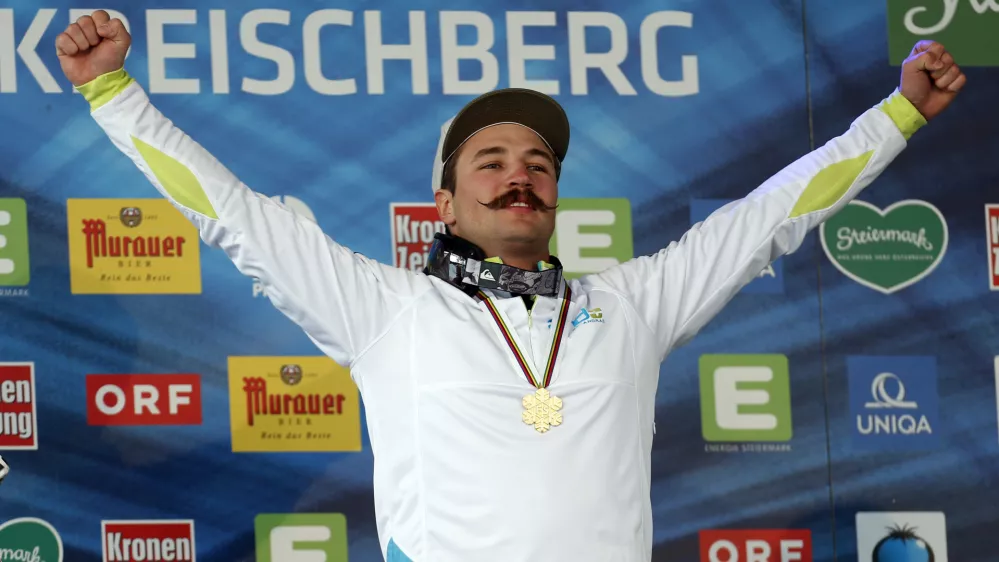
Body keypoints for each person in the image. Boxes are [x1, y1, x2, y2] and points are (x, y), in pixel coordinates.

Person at [55, 10, 966, 562]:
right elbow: (230, 212)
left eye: (538, 162)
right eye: (489, 161)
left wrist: (895, 117)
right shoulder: (384, 310)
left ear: (558, 195)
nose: (518, 173)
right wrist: (114, 97)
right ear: (444, 201)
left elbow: (770, 215)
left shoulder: (631, 303)